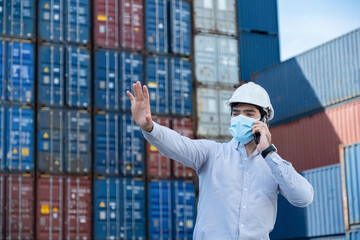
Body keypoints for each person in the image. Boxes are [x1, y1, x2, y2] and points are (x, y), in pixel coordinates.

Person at [126, 81, 314, 240]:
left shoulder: (274, 166)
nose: (240, 118)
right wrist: (149, 127)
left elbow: (304, 197)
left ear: (264, 120)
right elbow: (178, 145)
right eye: (236, 113)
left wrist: (269, 153)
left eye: (249, 114)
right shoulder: (212, 153)